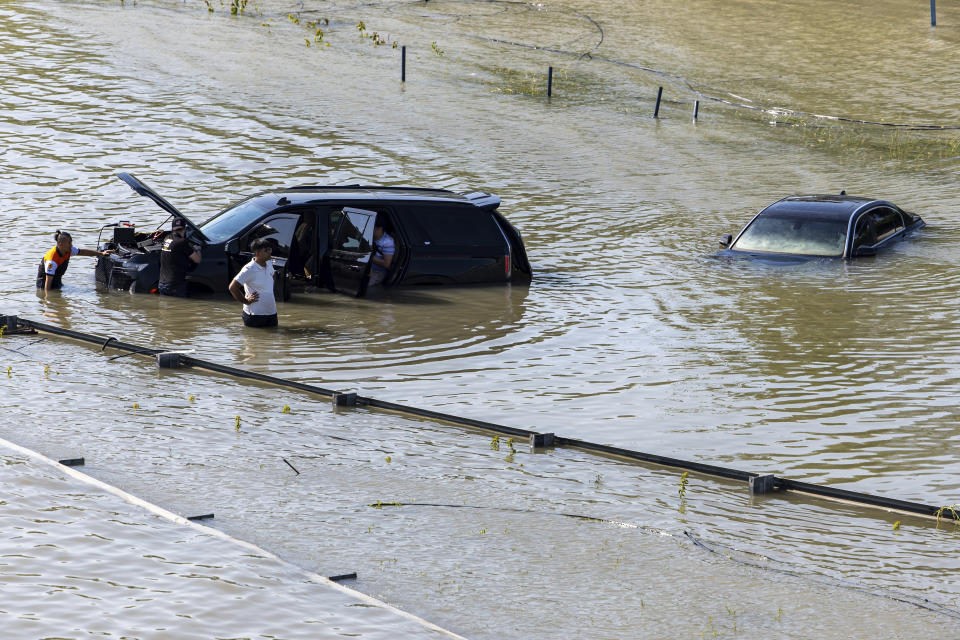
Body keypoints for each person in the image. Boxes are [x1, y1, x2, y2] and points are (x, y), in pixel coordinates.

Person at [36, 230, 113, 292]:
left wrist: (101, 253)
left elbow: (83, 252)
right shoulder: (52, 260)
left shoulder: (68, 250)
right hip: (44, 285)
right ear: (60, 244)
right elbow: (47, 283)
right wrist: (48, 302)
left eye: (71, 242)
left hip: (56, 281)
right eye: (69, 243)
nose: (71, 245)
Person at [228, 238, 278, 327]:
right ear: (257, 253)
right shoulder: (249, 269)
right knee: (254, 340)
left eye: (270, 249)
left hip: (272, 313)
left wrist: (268, 292)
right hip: (255, 316)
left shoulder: (269, 263)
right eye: (266, 250)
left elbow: (273, 275)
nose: (270, 252)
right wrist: (246, 301)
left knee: (273, 339)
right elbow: (233, 287)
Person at [158, 217, 201, 297]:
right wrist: (198, 249)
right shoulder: (182, 242)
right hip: (175, 285)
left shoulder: (167, 239)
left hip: (162, 283)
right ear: (185, 229)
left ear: (172, 229)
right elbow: (197, 260)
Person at [369, 214, 395, 286]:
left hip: (378, 272)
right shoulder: (368, 236)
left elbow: (386, 264)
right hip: (365, 268)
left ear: (379, 228)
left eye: (371, 227)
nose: (369, 229)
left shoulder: (388, 242)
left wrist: (368, 257)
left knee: (363, 284)